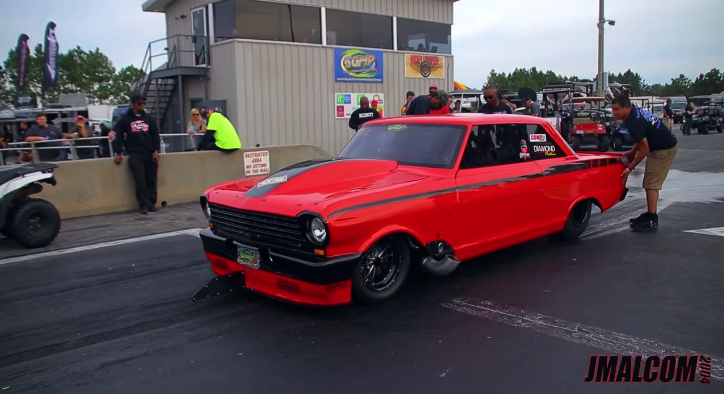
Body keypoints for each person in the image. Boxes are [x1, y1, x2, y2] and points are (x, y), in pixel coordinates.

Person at [612, 95, 678, 231]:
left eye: (617, 109)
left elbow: (644, 149)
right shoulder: (634, 114)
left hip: (663, 149)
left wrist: (629, 168)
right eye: (612, 109)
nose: (614, 112)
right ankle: (650, 214)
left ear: (626, 107)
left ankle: (652, 219)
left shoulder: (634, 122)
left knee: (651, 184)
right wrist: (631, 153)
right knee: (649, 182)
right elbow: (641, 139)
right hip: (660, 145)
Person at [112, 94, 161, 214]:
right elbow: (119, 136)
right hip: (135, 153)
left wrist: (156, 150)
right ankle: (143, 204)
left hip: (149, 152)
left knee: (151, 179)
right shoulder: (126, 119)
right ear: (134, 104)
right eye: (140, 103)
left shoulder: (149, 119)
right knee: (140, 180)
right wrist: (118, 152)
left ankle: (152, 203)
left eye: (144, 103)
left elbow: (155, 135)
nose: (142, 105)